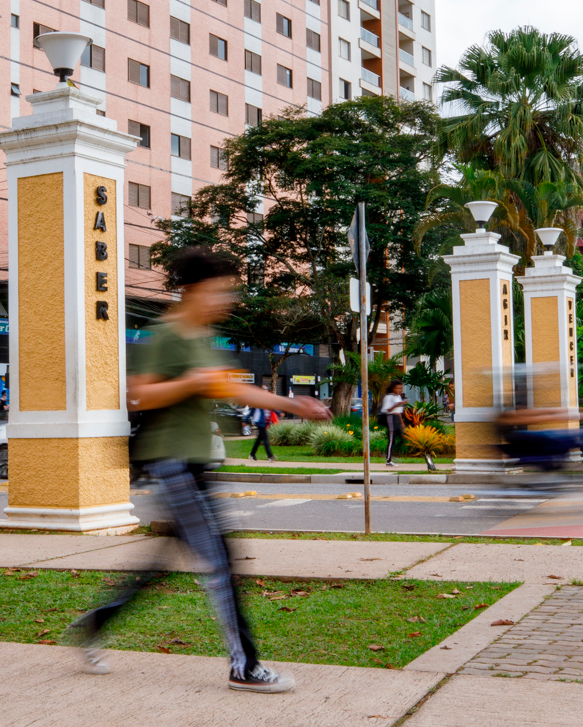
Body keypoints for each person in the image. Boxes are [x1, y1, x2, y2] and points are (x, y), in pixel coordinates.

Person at [69, 247, 331, 694]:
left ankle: (95, 623)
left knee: (163, 563)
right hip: (174, 464)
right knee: (222, 562)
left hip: (194, 464)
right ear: (192, 290)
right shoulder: (167, 334)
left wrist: (291, 404)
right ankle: (244, 667)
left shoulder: (199, 338)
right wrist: (192, 382)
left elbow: (228, 387)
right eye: (219, 291)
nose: (225, 301)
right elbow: (139, 396)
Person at [380, 380, 407, 468]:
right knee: (391, 438)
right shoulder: (389, 397)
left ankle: (391, 454)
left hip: (396, 418)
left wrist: (402, 423)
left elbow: (398, 412)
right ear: (393, 388)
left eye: (401, 388)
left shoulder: (398, 396)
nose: (399, 390)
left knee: (401, 437)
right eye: (397, 388)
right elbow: (387, 410)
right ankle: (388, 460)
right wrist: (397, 404)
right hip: (390, 417)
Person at [248, 387, 276, 462]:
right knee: (266, 440)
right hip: (260, 423)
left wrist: (280, 413)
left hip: (265, 422)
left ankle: (252, 454)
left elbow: (272, 408)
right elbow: (251, 412)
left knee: (258, 440)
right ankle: (270, 456)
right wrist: (245, 420)